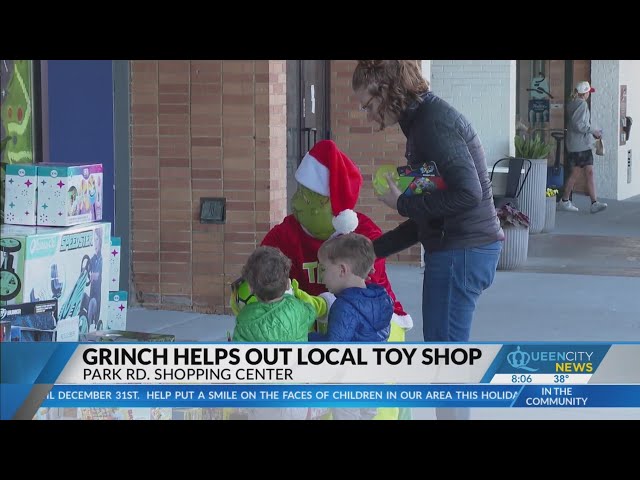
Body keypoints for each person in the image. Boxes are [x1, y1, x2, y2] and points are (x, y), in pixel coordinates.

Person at [352, 60, 503, 420]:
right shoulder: (422, 122)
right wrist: (373, 251)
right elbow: (432, 213)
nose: (367, 114)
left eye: (369, 104)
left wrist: (403, 202)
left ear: (388, 90)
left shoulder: (433, 123)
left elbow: (470, 194)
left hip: (461, 252)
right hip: (461, 248)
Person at [260, 139, 413, 420]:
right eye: (298, 194)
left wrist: (308, 338)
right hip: (315, 320)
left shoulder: (362, 235)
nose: (295, 204)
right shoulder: (287, 233)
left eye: (306, 199)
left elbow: (338, 342)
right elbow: (260, 267)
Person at [309, 233, 393, 420]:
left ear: (341, 270)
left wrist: (306, 337)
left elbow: (334, 348)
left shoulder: (345, 306)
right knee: (367, 415)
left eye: (323, 269)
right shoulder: (383, 298)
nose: (322, 277)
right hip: (376, 375)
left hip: (350, 379)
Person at [232, 245, 316, 420]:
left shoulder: (246, 317)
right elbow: (312, 312)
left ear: (252, 289)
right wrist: (292, 296)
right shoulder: (297, 308)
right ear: (287, 283)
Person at [558, 81, 607, 214]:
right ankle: (566, 200)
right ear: (584, 93)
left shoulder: (573, 103)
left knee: (585, 172)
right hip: (580, 145)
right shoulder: (581, 104)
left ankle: (591, 202)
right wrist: (594, 131)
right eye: (588, 92)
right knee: (580, 173)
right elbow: (579, 125)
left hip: (576, 144)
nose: (588, 95)